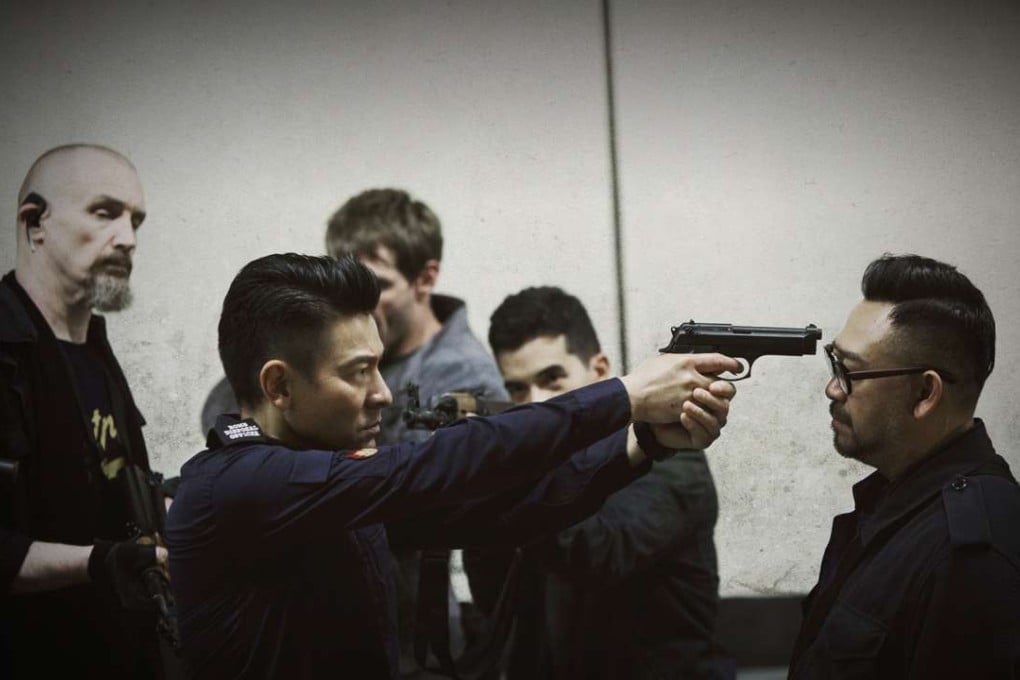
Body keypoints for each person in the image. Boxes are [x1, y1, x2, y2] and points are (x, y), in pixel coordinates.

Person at [165, 253, 739, 678]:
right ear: (279, 386)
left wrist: (641, 443)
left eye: (378, 368)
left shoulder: (329, 488)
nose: (382, 394)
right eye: (357, 372)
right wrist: (624, 396)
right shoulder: (240, 484)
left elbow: (508, 513)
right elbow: (437, 464)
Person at [465, 286, 733, 679]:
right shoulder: (537, 470)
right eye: (518, 390)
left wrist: (505, 482)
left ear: (600, 370)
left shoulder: (670, 457)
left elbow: (599, 552)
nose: (537, 405)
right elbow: (496, 599)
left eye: (553, 380)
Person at [789, 254, 1020, 679]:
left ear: (924, 393)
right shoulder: (894, 505)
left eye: (849, 371)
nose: (832, 387)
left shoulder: (970, 556)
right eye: (833, 362)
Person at [325, 188, 510, 672]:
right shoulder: (338, 347)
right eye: (345, 284)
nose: (355, 304)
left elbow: (416, 506)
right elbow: (231, 399)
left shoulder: (464, 375)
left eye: (377, 286)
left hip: (410, 636)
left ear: (426, 277)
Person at [0, 145, 165, 677]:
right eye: (105, 212)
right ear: (35, 223)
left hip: (121, 647)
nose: (129, 238)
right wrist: (103, 561)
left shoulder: (95, 347)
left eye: (135, 220)